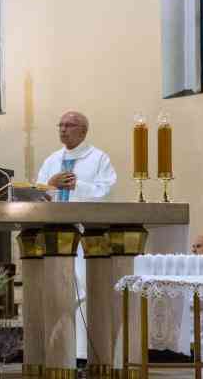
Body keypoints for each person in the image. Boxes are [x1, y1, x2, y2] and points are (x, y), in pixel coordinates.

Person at [36, 111, 117, 362]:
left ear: (83, 130)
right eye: (60, 125)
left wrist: (77, 186)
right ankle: (58, 351)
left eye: (69, 125)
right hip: (54, 235)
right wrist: (50, 184)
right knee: (56, 291)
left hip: (85, 237)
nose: (63, 129)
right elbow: (37, 195)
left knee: (82, 288)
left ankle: (81, 353)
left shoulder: (98, 158)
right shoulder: (52, 160)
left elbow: (107, 192)